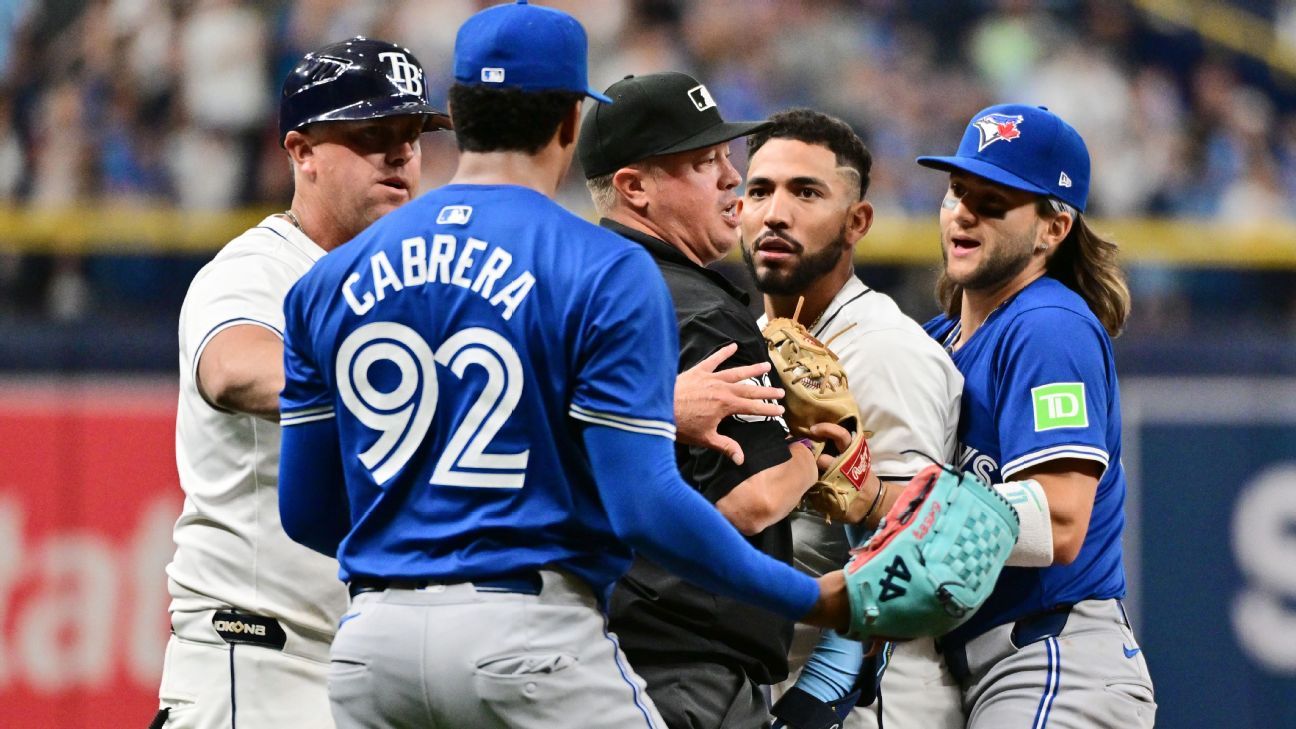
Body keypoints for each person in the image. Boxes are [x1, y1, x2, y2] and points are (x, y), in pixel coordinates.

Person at [275, 5, 851, 729]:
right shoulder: (603, 267)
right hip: (528, 636)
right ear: (571, 123)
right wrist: (811, 596)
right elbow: (648, 508)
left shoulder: (324, 283)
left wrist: (421, 546)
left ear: (457, 111)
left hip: (372, 649)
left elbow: (307, 512)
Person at [154, 38, 451, 729]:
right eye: (370, 134)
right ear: (300, 151)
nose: (400, 155)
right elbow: (233, 368)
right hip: (257, 665)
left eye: (410, 136)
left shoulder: (417, 290)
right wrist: (402, 388)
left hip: (370, 675)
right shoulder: (257, 268)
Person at [577, 72, 852, 729]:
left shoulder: (575, 283)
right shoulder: (697, 305)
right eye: (703, 162)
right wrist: (817, 444)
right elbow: (751, 499)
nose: (732, 177)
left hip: (583, 646)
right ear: (633, 186)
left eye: (726, 156)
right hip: (683, 663)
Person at [916, 104, 1156, 727]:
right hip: (983, 670)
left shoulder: (1048, 327)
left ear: (1054, 227)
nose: (963, 212)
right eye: (957, 190)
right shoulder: (939, 340)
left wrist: (895, 503)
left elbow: (1059, 519)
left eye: (994, 202)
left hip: (1054, 663)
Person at [740, 108, 966, 729]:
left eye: (806, 192)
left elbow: (917, 563)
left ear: (857, 221)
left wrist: (820, 699)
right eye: (759, 190)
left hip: (870, 702)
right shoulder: (751, 341)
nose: (775, 212)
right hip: (782, 684)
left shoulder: (883, 348)